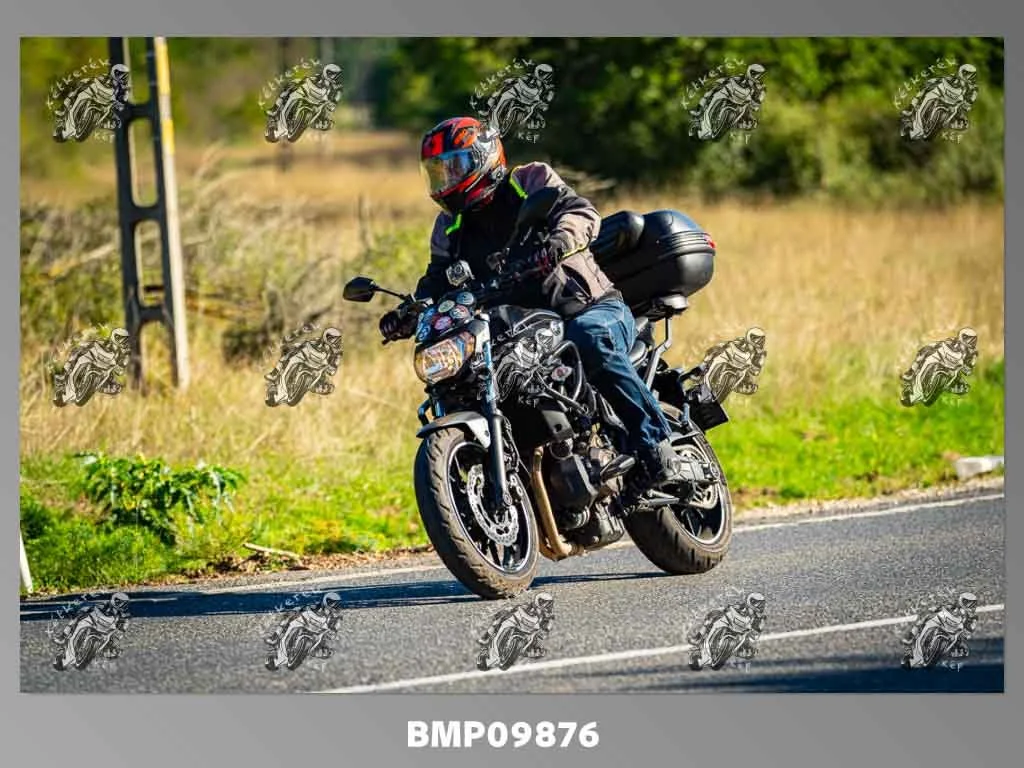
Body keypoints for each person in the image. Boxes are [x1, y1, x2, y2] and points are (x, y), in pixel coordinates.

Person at [378, 116, 705, 487]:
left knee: (587, 337)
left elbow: (579, 213)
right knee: (472, 379)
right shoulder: (448, 228)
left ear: (484, 157)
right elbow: (437, 279)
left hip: (589, 307)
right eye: (438, 172)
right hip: (522, 332)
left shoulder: (529, 180)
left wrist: (557, 244)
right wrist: (411, 311)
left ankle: (656, 444)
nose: (446, 180)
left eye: (454, 167)